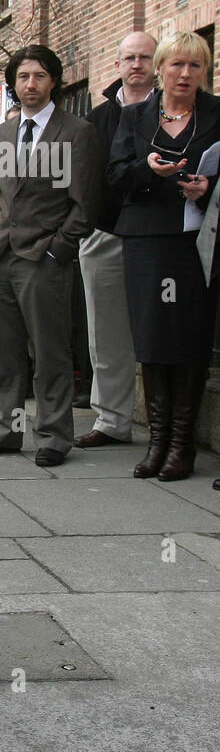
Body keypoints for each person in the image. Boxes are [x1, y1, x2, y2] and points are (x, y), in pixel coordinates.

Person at [0, 45, 98, 467]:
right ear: (13, 84)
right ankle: (6, 431)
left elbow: (86, 204)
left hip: (43, 258)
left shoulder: (76, 131)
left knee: (50, 352)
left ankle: (54, 436)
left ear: (53, 80)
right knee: (5, 353)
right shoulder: (0, 134)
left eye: (38, 76)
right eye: (22, 77)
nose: (30, 84)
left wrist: (58, 250)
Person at [106, 31, 220, 481]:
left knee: (189, 339)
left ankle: (181, 445)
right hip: (146, 240)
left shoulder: (217, 114)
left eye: (195, 66)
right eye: (177, 65)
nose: (185, 74)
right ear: (161, 69)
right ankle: (157, 442)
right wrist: (148, 171)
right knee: (152, 337)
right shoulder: (135, 117)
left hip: (195, 243)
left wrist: (208, 187)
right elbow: (115, 174)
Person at [75, 32, 158, 448]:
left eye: (145, 57)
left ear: (155, 64)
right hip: (105, 233)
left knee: (164, 331)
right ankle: (111, 421)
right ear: (118, 65)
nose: (137, 64)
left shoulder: (176, 112)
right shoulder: (97, 119)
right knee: (105, 334)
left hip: (162, 236)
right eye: (129, 58)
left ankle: (165, 427)